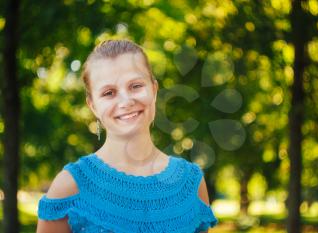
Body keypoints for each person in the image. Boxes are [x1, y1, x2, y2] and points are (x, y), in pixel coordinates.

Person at [36, 39, 218, 233]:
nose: (126, 101)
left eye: (136, 86)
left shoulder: (190, 182)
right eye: (108, 93)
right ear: (93, 106)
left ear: (154, 90)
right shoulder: (70, 186)